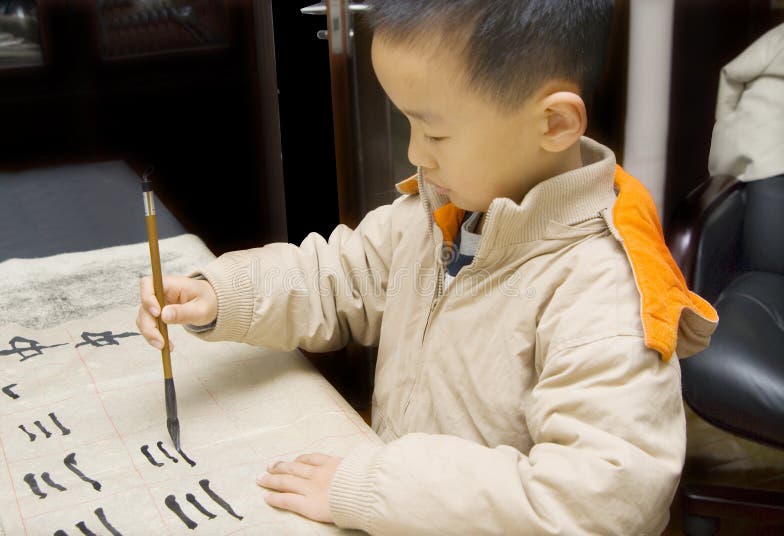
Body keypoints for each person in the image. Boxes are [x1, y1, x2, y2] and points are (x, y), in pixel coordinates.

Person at [136, 1, 718, 533]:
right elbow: (338, 276)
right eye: (408, 125)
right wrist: (225, 294)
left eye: (434, 131)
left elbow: (595, 505)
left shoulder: (604, 292)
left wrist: (376, 486)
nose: (415, 153)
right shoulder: (440, 212)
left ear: (554, 124)